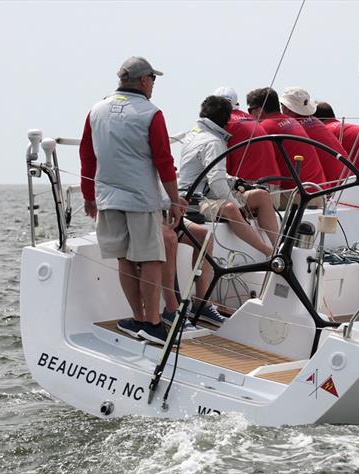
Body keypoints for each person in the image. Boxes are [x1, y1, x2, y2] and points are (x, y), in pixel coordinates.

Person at [79, 56, 186, 345]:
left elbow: (87, 156)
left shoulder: (96, 110)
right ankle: (152, 323)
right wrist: (175, 201)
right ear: (143, 80)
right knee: (150, 257)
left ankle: (137, 318)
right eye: (153, 79)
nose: (153, 85)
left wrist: (88, 195)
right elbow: (164, 161)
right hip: (140, 199)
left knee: (124, 258)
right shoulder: (150, 113)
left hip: (107, 197)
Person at [178, 95, 279, 257]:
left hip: (204, 194)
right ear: (226, 121)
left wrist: (235, 182)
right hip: (193, 202)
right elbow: (217, 183)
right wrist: (238, 207)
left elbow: (213, 174)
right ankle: (269, 253)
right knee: (231, 208)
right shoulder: (214, 142)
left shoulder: (195, 135)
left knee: (261, 195)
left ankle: (278, 248)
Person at [246, 87, 325, 190]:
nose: (249, 115)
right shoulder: (293, 121)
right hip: (319, 190)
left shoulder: (264, 128)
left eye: (249, 110)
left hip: (297, 195)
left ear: (259, 110)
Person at [279, 87, 350, 185]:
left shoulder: (293, 127)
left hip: (334, 187)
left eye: (281, 105)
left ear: (287, 108)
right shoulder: (316, 121)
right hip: (348, 178)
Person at [211, 86, 281, 183]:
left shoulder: (222, 121)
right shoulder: (249, 117)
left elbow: (222, 162)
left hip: (249, 183)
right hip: (273, 181)